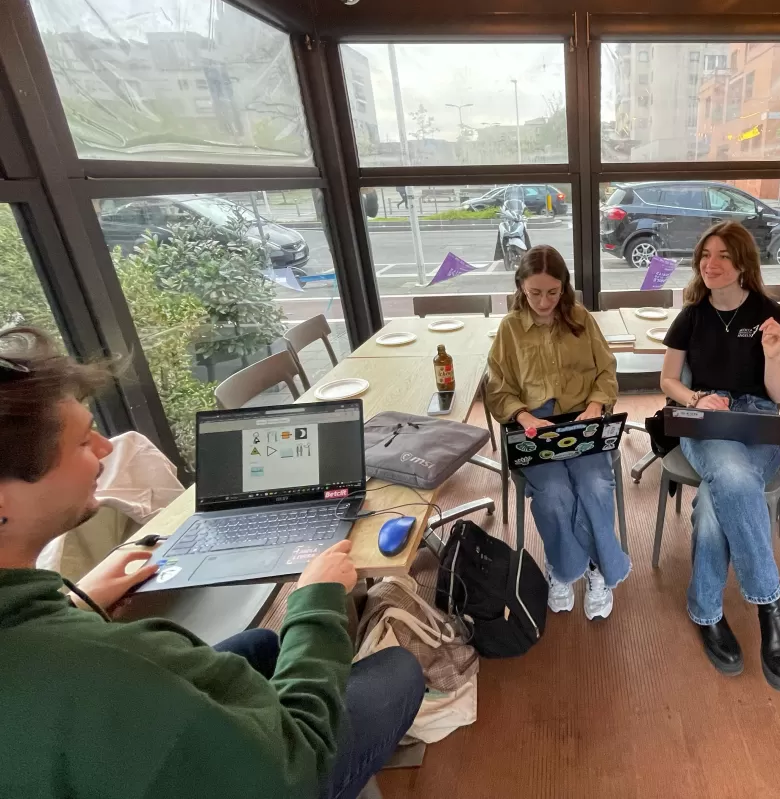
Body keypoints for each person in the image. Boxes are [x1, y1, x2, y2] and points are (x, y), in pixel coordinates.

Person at [0, 327, 425, 799]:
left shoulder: (41, 638)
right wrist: (314, 605)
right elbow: (293, 766)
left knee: (265, 644)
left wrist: (74, 604)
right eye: (82, 442)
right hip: (284, 772)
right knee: (398, 669)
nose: (106, 449)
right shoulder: (110, 662)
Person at [659, 221, 780, 692]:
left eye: (722, 255)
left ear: (743, 264)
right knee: (736, 482)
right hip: (707, 417)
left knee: (713, 510)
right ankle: (770, 607)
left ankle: (706, 611)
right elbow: (668, 382)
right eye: (705, 255)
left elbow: (779, 392)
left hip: (759, 417)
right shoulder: (692, 314)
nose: (711, 264)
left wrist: (776, 353)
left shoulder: (768, 312)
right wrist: (697, 399)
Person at [486, 245, 629, 620]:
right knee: (553, 493)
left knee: (595, 486)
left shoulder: (581, 319)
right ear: (520, 287)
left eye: (553, 292)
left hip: (582, 417)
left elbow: (607, 371)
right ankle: (565, 569)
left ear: (565, 287)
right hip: (535, 424)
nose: (544, 301)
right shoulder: (510, 328)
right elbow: (498, 386)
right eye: (535, 293)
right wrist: (522, 416)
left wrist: (597, 405)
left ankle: (597, 566)